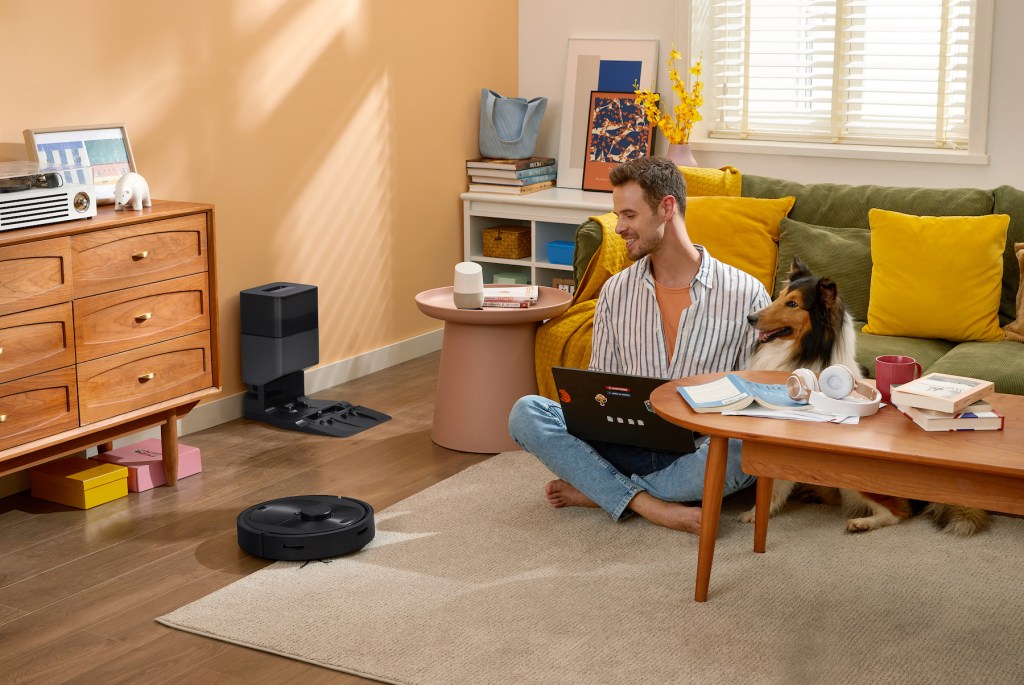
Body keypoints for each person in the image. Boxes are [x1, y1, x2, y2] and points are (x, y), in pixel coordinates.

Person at [508, 156, 770, 533]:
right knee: (526, 411)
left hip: (697, 452)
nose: (619, 228)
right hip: (622, 440)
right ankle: (651, 504)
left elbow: (757, 396)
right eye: (618, 216)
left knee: (743, 451)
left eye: (629, 215)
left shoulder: (746, 294)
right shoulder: (616, 291)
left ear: (666, 208)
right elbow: (599, 386)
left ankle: (600, 489)